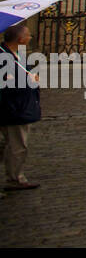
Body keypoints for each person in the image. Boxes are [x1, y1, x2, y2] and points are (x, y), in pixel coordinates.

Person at [0, 22, 41, 191]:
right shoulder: (4, 58)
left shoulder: (17, 55)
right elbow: (6, 84)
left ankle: (14, 176)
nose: (30, 37)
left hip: (18, 107)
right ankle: (15, 179)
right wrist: (28, 81)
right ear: (20, 38)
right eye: (28, 35)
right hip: (13, 109)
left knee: (9, 144)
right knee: (17, 145)